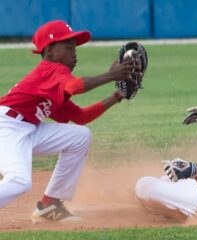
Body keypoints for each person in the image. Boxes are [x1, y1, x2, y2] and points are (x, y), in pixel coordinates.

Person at [0, 20, 141, 224]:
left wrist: (116, 97)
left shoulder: (56, 85)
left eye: (75, 48)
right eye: (68, 48)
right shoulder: (50, 70)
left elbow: (81, 117)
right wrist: (112, 75)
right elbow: (76, 86)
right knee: (20, 181)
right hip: (7, 126)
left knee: (79, 136)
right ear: (49, 51)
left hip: (26, 129)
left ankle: (49, 205)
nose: (74, 54)